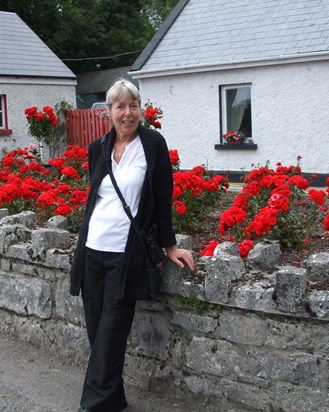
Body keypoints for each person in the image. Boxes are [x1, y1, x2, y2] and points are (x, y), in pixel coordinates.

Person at [70, 79, 195, 412]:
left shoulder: (153, 145)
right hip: (92, 250)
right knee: (98, 333)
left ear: (140, 109)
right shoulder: (98, 148)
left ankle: (93, 406)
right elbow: (97, 198)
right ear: (108, 111)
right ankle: (114, 400)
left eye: (133, 106)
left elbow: (163, 198)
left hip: (125, 255)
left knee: (111, 331)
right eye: (120, 106)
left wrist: (170, 246)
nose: (127, 113)